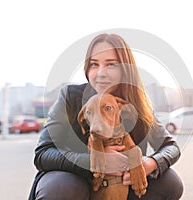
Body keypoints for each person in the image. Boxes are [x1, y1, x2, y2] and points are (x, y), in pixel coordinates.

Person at [29, 33, 183, 200]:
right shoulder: (70, 97)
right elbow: (43, 153)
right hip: (74, 181)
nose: (100, 73)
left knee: (170, 182)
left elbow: (170, 146)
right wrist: (96, 161)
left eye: (111, 65)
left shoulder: (136, 103)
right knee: (61, 187)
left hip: (119, 187)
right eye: (94, 64)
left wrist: (150, 164)